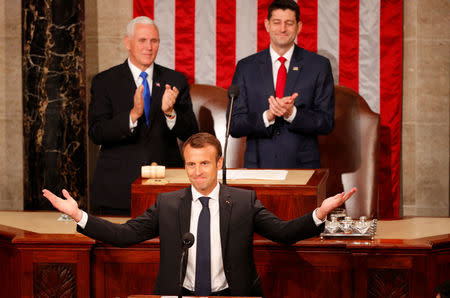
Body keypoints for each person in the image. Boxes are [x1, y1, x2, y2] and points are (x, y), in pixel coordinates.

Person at [43, 132, 356, 296]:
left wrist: (319, 212)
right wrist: (79, 215)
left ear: (219, 164)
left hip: (232, 296)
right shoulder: (168, 204)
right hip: (180, 295)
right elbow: (125, 235)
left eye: (204, 163)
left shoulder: (244, 202)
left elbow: (284, 233)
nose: (197, 171)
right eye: (191, 164)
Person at [88, 16, 198, 214]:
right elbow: (96, 133)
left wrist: (170, 113)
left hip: (167, 187)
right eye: (142, 40)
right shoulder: (105, 81)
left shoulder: (175, 80)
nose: (149, 46)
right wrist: (132, 115)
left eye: (154, 41)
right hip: (118, 189)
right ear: (127, 43)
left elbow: (192, 132)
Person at [229, 0, 334, 169]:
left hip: (303, 168)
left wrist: (292, 113)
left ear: (299, 26)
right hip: (258, 167)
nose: (282, 29)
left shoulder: (318, 66)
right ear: (267, 25)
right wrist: (267, 116)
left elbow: (326, 122)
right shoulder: (246, 67)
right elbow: (234, 125)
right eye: (277, 22)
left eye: (289, 23)